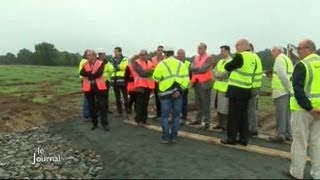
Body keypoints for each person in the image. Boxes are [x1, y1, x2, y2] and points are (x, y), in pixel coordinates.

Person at [287, 39, 320, 179]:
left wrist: (309, 107)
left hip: (303, 110)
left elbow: (298, 89)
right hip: (318, 110)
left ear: (309, 49)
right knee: (316, 143)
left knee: (299, 142)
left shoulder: (302, 65)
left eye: (299, 48)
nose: (297, 51)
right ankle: (317, 173)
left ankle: (296, 173)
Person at [220, 39, 256, 146]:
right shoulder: (253, 57)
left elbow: (228, 66)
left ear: (245, 46)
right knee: (243, 116)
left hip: (236, 90)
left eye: (237, 45)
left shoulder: (241, 56)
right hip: (246, 89)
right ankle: (244, 138)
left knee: (233, 116)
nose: (236, 47)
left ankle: (231, 138)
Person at [153, 46, 190, 143]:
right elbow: (186, 80)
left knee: (165, 116)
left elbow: (155, 78)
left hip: (165, 94)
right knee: (177, 116)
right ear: (173, 53)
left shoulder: (161, 64)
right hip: (178, 93)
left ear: (165, 53)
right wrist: (179, 90)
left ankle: (165, 137)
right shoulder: (181, 64)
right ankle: (174, 137)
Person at [79, 50, 109, 131]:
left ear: (94, 56)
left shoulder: (100, 63)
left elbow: (99, 73)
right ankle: (94, 123)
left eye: (89, 55)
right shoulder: (85, 64)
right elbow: (82, 73)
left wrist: (89, 75)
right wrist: (92, 74)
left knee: (102, 105)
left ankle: (104, 124)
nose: (88, 57)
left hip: (99, 87)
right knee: (91, 106)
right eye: (87, 55)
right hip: (88, 88)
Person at [268, 46, 293, 143]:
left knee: (280, 114)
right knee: (287, 114)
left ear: (279, 51)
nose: (272, 53)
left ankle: (280, 135)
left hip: (280, 91)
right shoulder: (287, 59)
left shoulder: (279, 59)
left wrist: (288, 88)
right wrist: (290, 89)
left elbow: (282, 75)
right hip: (286, 91)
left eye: (273, 51)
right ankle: (288, 134)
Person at [189, 43, 215, 130]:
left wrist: (196, 69)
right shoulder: (196, 57)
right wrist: (198, 69)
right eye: (198, 48)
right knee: (198, 103)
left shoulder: (209, 57)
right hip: (196, 82)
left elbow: (204, 69)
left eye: (200, 48)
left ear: (205, 49)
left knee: (205, 103)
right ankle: (198, 119)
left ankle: (207, 122)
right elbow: (191, 67)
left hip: (205, 83)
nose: (199, 49)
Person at [212, 45, 232, 131]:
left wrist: (218, 74)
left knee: (225, 107)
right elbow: (214, 71)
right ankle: (220, 123)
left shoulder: (231, 61)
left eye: (223, 51)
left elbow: (226, 74)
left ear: (227, 51)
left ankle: (226, 125)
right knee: (218, 106)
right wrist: (218, 74)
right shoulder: (220, 61)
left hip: (225, 88)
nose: (221, 53)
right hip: (217, 87)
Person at [133, 50, 155, 126]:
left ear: (147, 55)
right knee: (140, 104)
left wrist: (149, 71)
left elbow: (154, 72)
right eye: (140, 55)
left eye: (143, 55)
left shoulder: (150, 62)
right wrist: (150, 71)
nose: (141, 56)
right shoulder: (136, 63)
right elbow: (142, 73)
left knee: (145, 104)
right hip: (140, 86)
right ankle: (139, 120)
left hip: (148, 86)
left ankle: (144, 120)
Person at [106, 47, 129, 116]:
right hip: (114, 81)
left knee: (125, 97)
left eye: (116, 52)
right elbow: (110, 68)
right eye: (114, 52)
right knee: (117, 97)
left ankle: (128, 111)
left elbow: (124, 67)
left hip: (122, 80)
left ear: (120, 52)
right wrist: (117, 67)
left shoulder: (125, 59)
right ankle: (120, 112)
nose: (114, 53)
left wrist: (116, 67)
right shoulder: (111, 60)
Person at [248, 43, 263, 136]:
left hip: (251, 87)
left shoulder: (252, 58)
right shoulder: (257, 57)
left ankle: (253, 128)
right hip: (255, 86)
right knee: (252, 108)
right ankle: (253, 127)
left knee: (250, 109)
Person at [176, 49, 191, 125]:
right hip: (176, 86)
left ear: (184, 55)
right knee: (176, 102)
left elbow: (190, 75)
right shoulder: (175, 63)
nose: (180, 55)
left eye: (181, 54)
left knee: (184, 102)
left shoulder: (188, 63)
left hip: (184, 86)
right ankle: (176, 117)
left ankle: (184, 118)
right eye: (178, 54)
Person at [151, 45, 164, 118]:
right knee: (157, 98)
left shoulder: (165, 59)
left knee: (163, 98)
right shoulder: (153, 59)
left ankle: (164, 113)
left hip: (163, 82)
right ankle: (158, 114)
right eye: (159, 50)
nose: (160, 52)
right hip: (155, 82)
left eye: (161, 50)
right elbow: (150, 68)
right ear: (156, 51)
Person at [99, 49, 113, 114]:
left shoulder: (107, 62)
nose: (102, 56)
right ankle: (100, 110)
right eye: (100, 54)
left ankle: (106, 109)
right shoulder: (96, 62)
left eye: (103, 54)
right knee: (99, 96)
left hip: (106, 81)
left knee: (106, 96)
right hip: (98, 81)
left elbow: (111, 70)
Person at [79, 49, 90, 121]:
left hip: (85, 80)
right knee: (87, 98)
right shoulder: (85, 61)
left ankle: (88, 114)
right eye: (89, 55)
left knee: (88, 98)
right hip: (86, 81)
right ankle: (86, 115)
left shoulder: (83, 61)